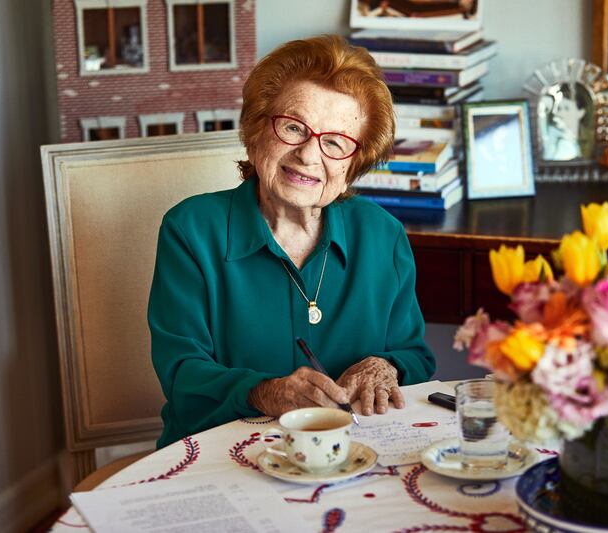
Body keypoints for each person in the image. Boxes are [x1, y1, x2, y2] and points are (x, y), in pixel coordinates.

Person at [148, 35, 435, 448]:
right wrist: (266, 392)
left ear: (354, 165)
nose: (308, 154)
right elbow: (182, 373)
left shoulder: (382, 234)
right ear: (255, 131)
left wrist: (384, 366)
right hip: (219, 456)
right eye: (294, 127)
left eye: (336, 142)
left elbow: (416, 357)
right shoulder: (191, 230)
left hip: (350, 453)